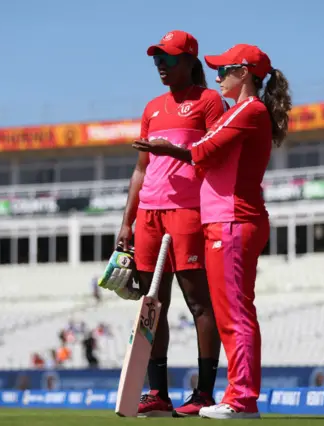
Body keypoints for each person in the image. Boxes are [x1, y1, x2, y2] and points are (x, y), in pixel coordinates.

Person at [134, 43, 292, 419]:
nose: (218, 77)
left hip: (234, 219)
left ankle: (242, 399)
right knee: (228, 313)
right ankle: (236, 395)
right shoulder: (240, 110)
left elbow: (203, 150)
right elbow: (205, 150)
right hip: (222, 220)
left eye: (225, 71)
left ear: (245, 74)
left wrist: (167, 149)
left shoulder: (250, 110)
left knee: (235, 314)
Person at [106, 30, 226, 417]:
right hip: (149, 216)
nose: (161, 65)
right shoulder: (152, 107)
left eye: (169, 58)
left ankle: (204, 393)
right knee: (151, 303)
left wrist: (172, 150)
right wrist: (127, 221)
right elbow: (140, 171)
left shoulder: (209, 102)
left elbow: (215, 157)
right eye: (157, 59)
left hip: (189, 210)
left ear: (190, 60)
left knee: (198, 302)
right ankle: (158, 393)